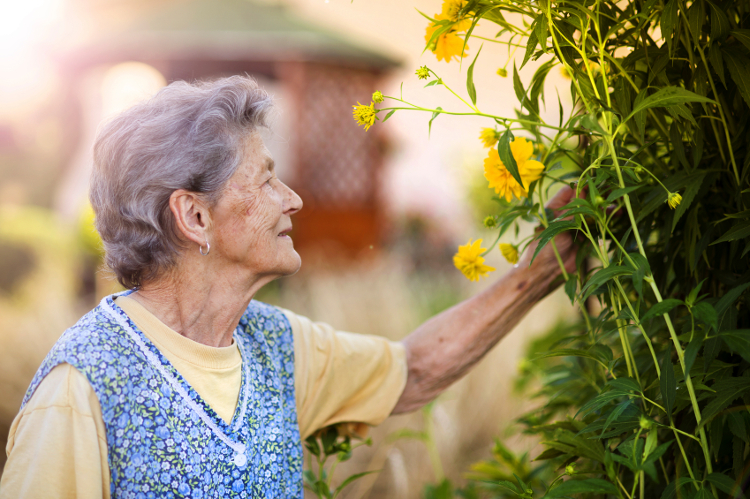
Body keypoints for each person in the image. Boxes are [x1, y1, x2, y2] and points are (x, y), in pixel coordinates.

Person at [0, 76, 577, 498]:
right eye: (267, 179)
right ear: (194, 217)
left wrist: (537, 274)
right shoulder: (80, 387)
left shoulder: (273, 343)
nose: (292, 199)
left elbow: (415, 368)